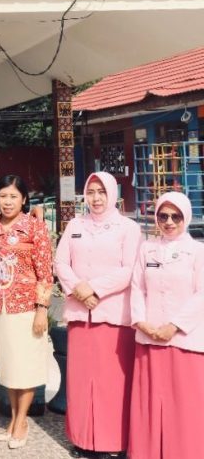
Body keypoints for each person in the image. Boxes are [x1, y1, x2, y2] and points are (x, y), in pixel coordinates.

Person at [54, 172, 142, 459]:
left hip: (112, 315)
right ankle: (82, 439)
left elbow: (129, 269)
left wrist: (92, 288)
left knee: (111, 383)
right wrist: (79, 289)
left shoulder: (128, 228)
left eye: (101, 192)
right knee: (80, 381)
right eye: (90, 192)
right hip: (82, 316)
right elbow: (60, 262)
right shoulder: (75, 225)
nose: (96, 198)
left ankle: (112, 441)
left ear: (113, 194)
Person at [128, 191, 204, 459]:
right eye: (163, 216)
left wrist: (174, 326)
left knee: (184, 404)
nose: (169, 221)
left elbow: (201, 294)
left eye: (176, 216)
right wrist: (141, 322)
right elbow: (137, 288)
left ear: (187, 217)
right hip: (149, 337)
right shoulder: (146, 248)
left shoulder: (198, 251)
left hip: (184, 339)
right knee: (149, 402)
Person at [0, 174, 53, 450]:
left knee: (26, 367)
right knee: (9, 367)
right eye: (3, 195)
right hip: (0, 307)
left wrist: (42, 309)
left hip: (27, 308)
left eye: (13, 196)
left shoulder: (35, 228)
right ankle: (12, 420)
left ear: (23, 199)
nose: (7, 201)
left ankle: (21, 422)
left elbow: (45, 271)